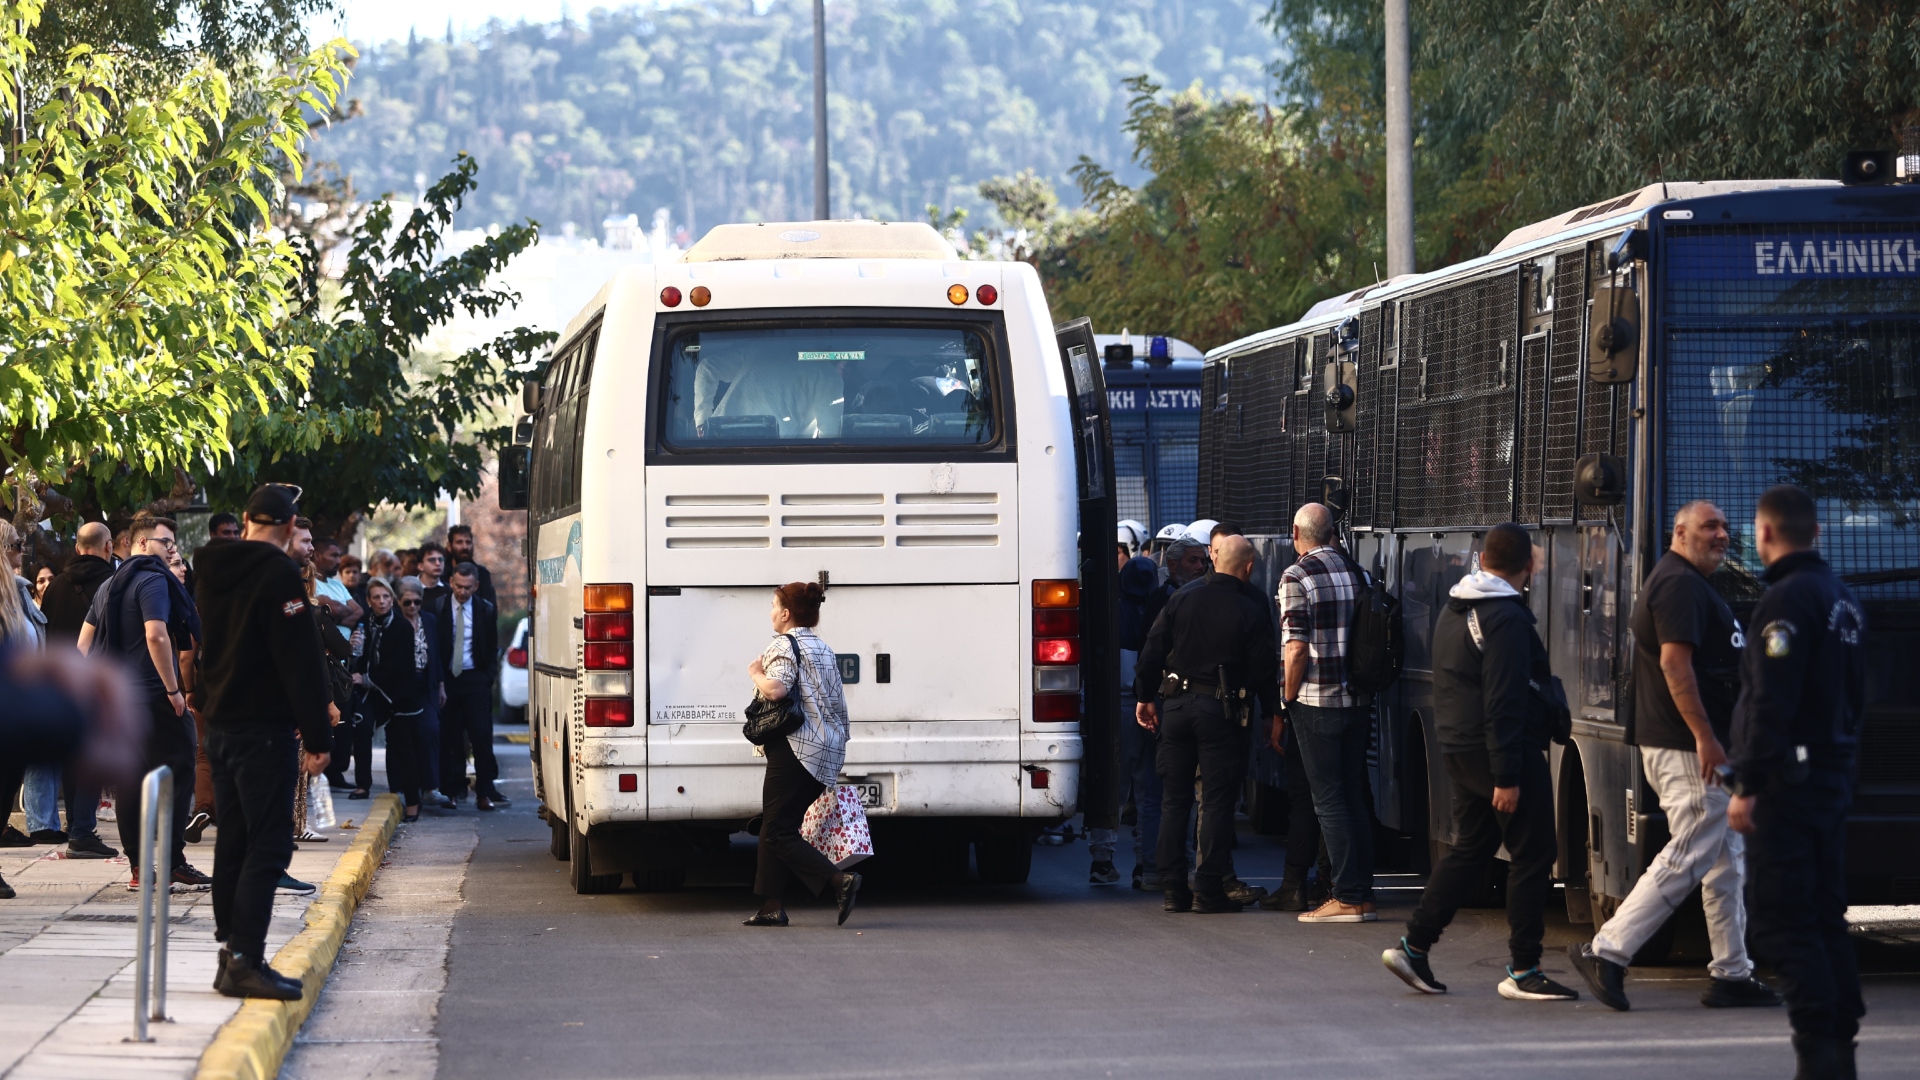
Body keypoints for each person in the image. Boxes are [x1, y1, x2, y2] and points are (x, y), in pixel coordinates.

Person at [1568, 500, 1778, 1011]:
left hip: (1703, 746)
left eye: (1725, 526)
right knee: (1688, 854)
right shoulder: (1679, 584)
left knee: (1725, 863)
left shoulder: (1692, 584)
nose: (1722, 534)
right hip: (1688, 747)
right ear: (1679, 534)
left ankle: (1732, 973)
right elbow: (1675, 666)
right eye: (1710, 527)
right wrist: (1706, 737)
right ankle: (1606, 951)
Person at [1383, 523, 1577, 1001]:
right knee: (1533, 853)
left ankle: (1414, 947)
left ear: (1484, 559)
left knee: (1472, 847)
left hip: (1460, 747)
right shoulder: (1506, 618)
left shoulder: (1456, 607)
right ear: (1528, 565)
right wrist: (1507, 774)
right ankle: (1524, 969)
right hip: (1502, 752)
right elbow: (1504, 699)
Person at [1725, 486, 1868, 1080]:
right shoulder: (1842, 597)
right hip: (1831, 776)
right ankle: (1838, 1042)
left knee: (1782, 919)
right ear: (1817, 532)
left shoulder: (1783, 602)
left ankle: (1819, 1054)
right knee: (1824, 913)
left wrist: (1748, 783)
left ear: (1763, 534)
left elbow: (1771, 701)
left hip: (1788, 785)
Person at [193, 484, 334, 999]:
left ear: (248, 518)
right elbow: (299, 658)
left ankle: (231, 952)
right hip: (263, 731)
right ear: (290, 525)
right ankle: (246, 959)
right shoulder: (277, 572)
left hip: (222, 726)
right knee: (269, 844)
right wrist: (318, 735)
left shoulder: (211, 566)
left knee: (233, 840)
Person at [1132, 535, 1280, 914]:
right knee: (1215, 801)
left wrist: (1144, 697)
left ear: (1215, 560)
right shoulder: (1250, 607)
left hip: (1176, 708)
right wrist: (1271, 712)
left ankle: (1173, 888)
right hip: (1221, 712)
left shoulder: (1182, 598)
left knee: (1174, 799)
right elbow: (1264, 667)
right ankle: (1208, 889)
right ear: (1248, 567)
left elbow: (1152, 649)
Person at [76, 516, 211, 893]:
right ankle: (172, 861)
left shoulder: (109, 584)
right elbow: (156, 635)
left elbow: (83, 647)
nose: (171, 549)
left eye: (173, 543)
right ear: (139, 544)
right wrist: (173, 689)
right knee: (181, 769)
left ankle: (139, 868)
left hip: (121, 698)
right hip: (155, 695)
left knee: (131, 778)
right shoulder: (153, 579)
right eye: (164, 542)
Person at [1276, 504, 1374, 923]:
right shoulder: (1359, 573)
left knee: (1328, 800)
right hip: (1358, 700)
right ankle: (1363, 894)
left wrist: (1287, 696)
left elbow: (1296, 646)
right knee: (1354, 796)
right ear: (1331, 531)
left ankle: (1347, 896)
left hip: (1316, 702)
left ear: (1297, 532)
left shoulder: (1296, 575)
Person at [743, 581, 861, 927]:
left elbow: (777, 690)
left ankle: (840, 880)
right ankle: (771, 906)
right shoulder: (823, 648)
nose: (770, 612)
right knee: (775, 825)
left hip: (795, 747)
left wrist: (756, 673)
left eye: (773, 605)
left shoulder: (783, 644)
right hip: (824, 748)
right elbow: (838, 704)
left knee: (777, 831)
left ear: (785, 613)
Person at [36, 521, 119, 858]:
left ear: (76, 547)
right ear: (108, 546)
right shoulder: (113, 582)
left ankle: (76, 824)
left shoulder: (54, 587)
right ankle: (83, 830)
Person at [1114, 549, 1170, 890]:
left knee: (1118, 783)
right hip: (1149, 702)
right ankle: (1143, 860)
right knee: (1149, 787)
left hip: (1120, 705)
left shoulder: (1113, 611)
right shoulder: (1159, 609)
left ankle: (1102, 855)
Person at [433, 562, 505, 809]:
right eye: (459, 586)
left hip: (475, 678)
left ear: (476, 586)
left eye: (468, 587)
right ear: (451, 582)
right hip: (448, 679)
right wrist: (439, 680)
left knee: (481, 737)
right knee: (450, 738)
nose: (462, 592)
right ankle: (451, 790)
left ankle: (483, 792)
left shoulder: (485, 609)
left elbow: (492, 645)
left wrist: (488, 677)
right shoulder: (439, 607)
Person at [370, 576, 440, 823]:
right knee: (392, 744)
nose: (382, 601)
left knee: (411, 743)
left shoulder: (400, 626)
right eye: (376, 597)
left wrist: (368, 677)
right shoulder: (371, 624)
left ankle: (415, 799)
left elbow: (400, 665)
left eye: (385, 597)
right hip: (380, 692)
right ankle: (396, 791)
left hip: (406, 692)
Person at [445, 524, 497, 607]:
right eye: (459, 542)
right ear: (449, 546)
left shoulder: (482, 575)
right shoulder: (441, 574)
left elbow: (489, 608)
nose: (464, 547)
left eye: (468, 542)